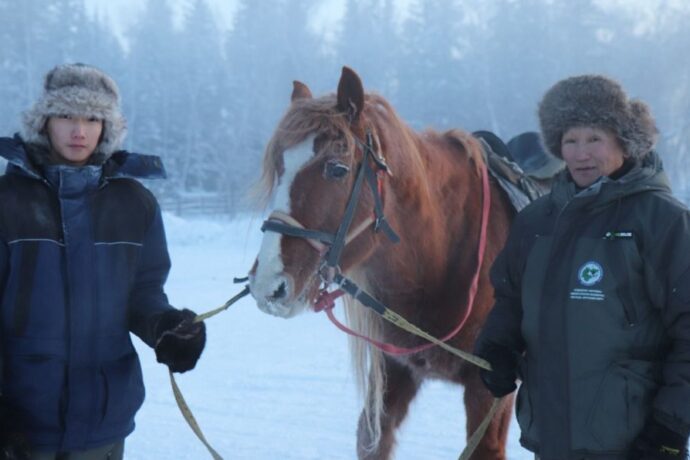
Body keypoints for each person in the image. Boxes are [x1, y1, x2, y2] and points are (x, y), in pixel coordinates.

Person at [474, 75, 690, 460]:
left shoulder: (664, 222)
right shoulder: (537, 220)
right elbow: (511, 297)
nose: (580, 153)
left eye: (594, 139)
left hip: (635, 441)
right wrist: (498, 346)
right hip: (553, 435)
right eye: (570, 140)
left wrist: (670, 426)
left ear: (624, 142)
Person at [0, 63, 207, 460]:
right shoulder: (7, 200)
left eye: (93, 118)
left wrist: (167, 327)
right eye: (66, 116)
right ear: (44, 121)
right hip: (21, 424)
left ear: (106, 128)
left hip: (104, 422)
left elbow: (143, 294)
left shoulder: (134, 202)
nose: (79, 131)